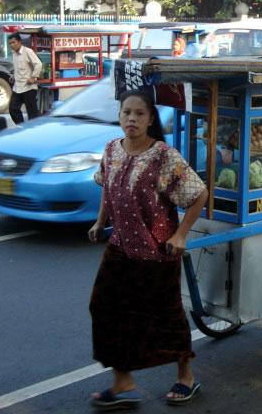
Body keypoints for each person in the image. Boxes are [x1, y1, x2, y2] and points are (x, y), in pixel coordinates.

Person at [88, 85, 208, 410]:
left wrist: (181, 234)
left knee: (165, 317)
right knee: (104, 307)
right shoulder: (112, 149)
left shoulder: (163, 156)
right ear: (119, 116)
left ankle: (186, 376)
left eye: (139, 113)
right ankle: (123, 382)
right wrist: (101, 222)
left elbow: (199, 194)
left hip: (158, 252)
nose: (132, 118)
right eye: (127, 112)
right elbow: (107, 189)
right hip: (120, 248)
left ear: (150, 119)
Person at [8, 33, 42, 124]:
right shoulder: (14, 54)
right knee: (13, 109)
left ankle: (34, 131)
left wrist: (34, 77)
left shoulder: (28, 51)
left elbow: (38, 64)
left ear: (19, 42)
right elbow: (17, 68)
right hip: (18, 87)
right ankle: (22, 127)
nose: (12, 45)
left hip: (29, 87)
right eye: (10, 43)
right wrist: (13, 76)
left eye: (13, 42)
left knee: (32, 113)